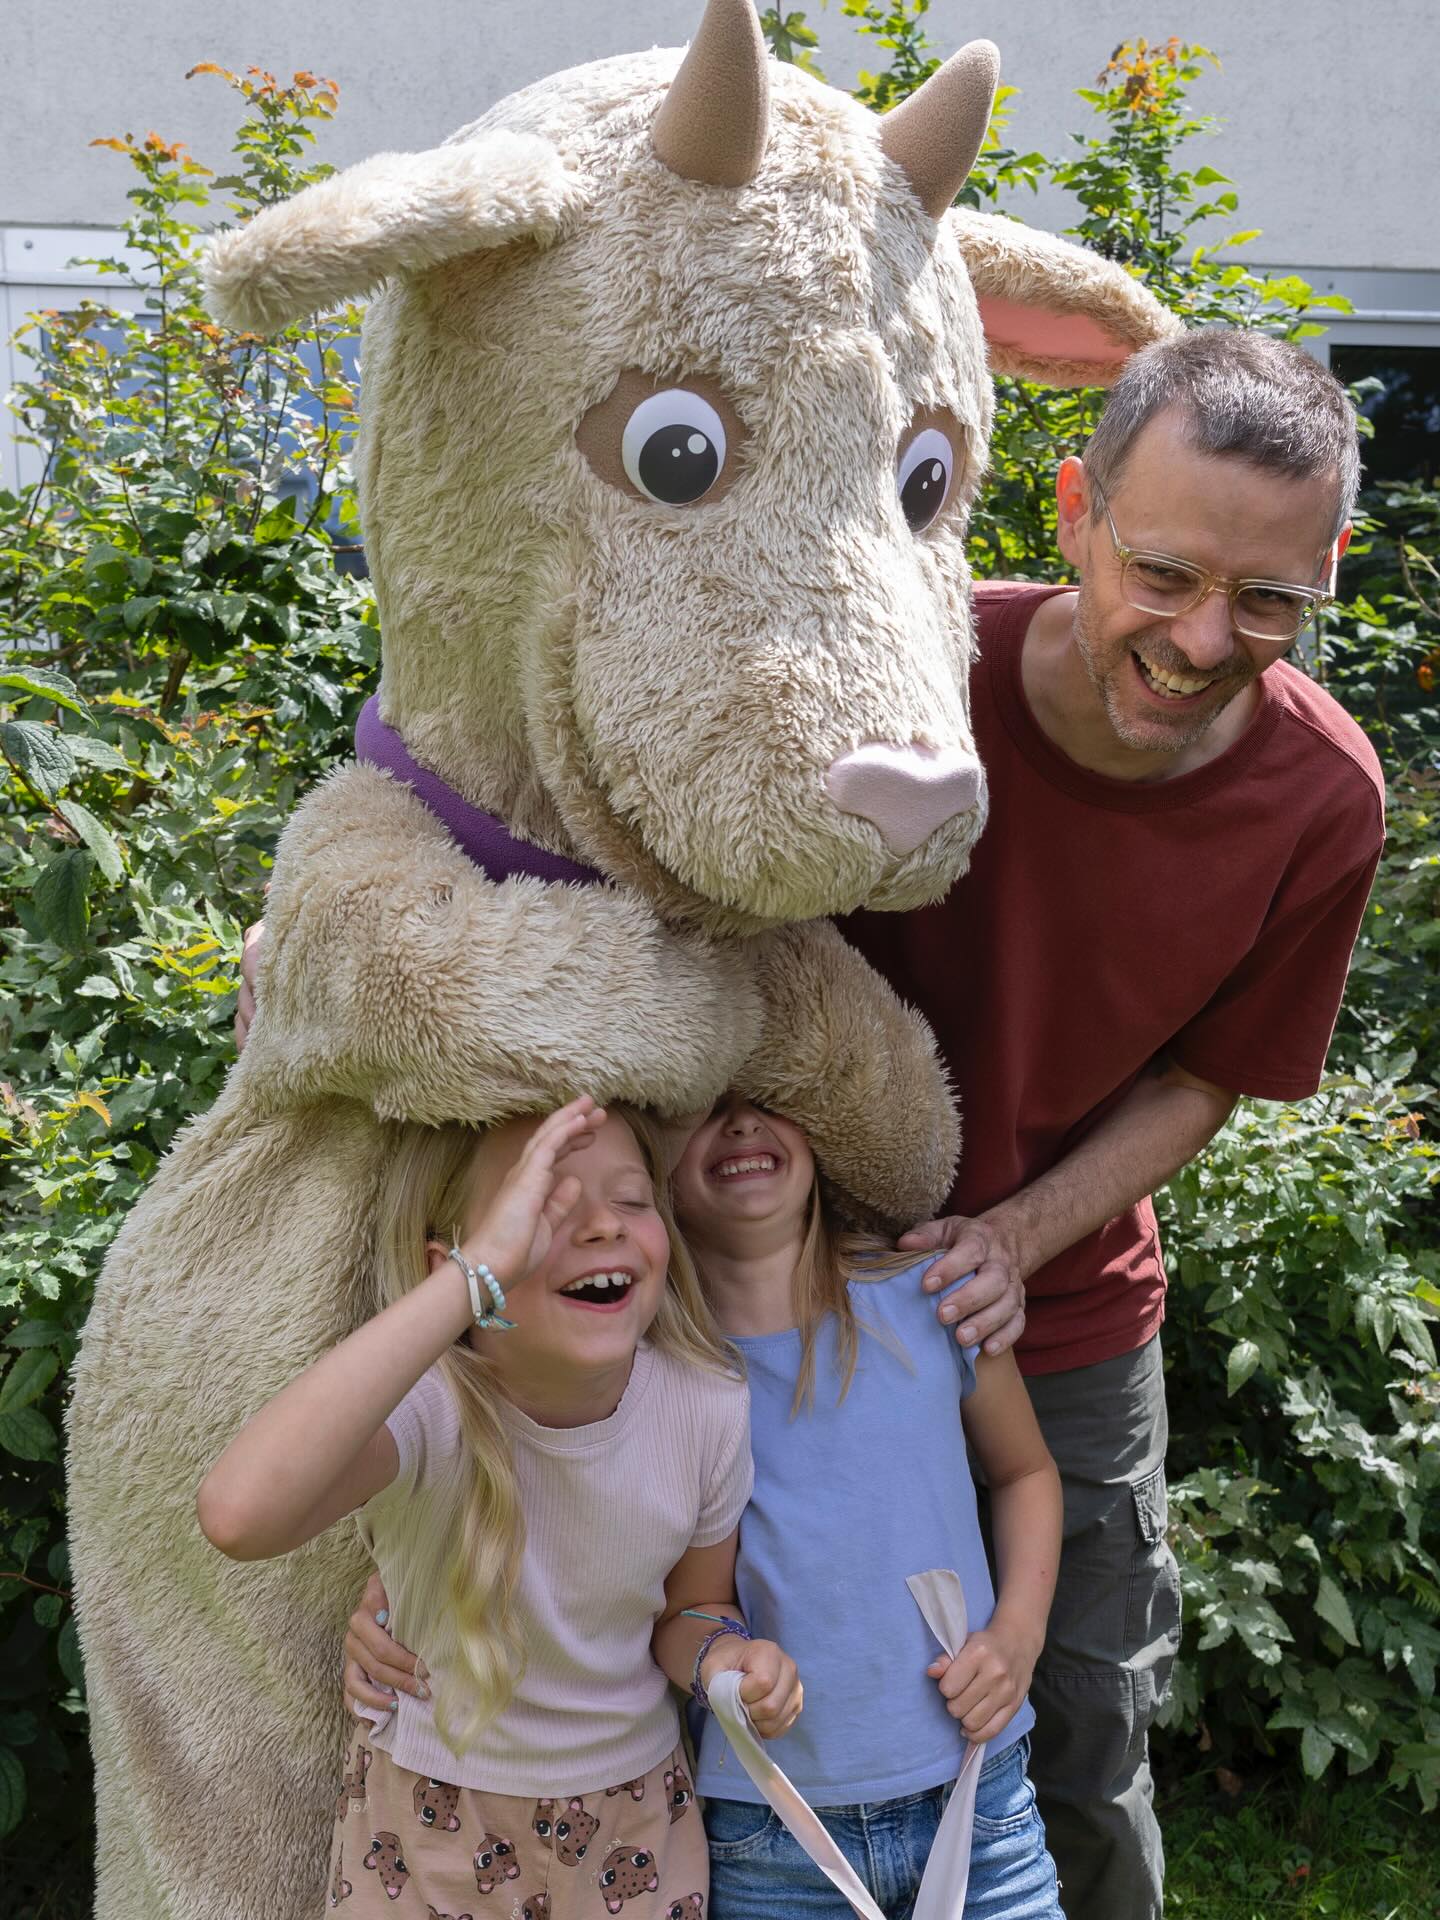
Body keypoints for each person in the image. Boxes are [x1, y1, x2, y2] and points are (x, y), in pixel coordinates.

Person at [840, 329, 1387, 1920]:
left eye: (1272, 601)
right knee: (762, 1693)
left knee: (1080, 1728)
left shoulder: (1324, 797)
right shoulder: (907, 674)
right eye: (1163, 573)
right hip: (790, 1286)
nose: (1205, 639)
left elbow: (1207, 1075)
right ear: (1075, 506)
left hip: (1069, 1309)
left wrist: (1015, 1239)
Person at [347, 1095, 1065, 1920]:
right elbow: (547, 1501)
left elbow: (1025, 1473)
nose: (744, 1124)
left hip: (980, 1799)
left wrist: (1018, 1633)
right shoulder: (640, 1369)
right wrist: (393, 1591)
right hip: (769, 1829)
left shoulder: (936, 1298)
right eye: (710, 1108)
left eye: (779, 1098)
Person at [197, 1095, 801, 1919]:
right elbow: (238, 1515)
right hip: (423, 1826)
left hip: (634, 1821)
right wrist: (472, 1280)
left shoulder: (706, 1409)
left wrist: (725, 1662)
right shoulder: (426, 1411)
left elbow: (695, 1605)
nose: (602, 1227)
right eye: (544, 1206)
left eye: (632, 1199)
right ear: (457, 1266)